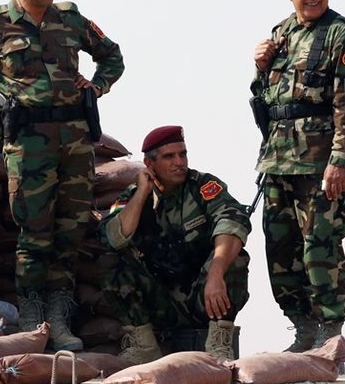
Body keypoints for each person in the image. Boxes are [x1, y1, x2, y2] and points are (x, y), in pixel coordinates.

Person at [0, 0, 124, 351]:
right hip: (28, 146)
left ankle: (60, 317)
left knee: (70, 231)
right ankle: (32, 315)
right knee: (34, 233)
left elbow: (112, 56)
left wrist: (96, 85)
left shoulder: (69, 18)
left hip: (76, 142)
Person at [251, 0, 345, 351]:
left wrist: (341, 159)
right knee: (280, 249)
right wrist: (258, 67)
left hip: (319, 163)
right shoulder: (281, 34)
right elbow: (266, 99)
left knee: (320, 247)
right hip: (277, 161)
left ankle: (331, 332)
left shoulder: (341, 34)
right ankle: (302, 328)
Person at [98, 126, 251, 363]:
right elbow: (114, 238)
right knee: (112, 261)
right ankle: (144, 346)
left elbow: (232, 220)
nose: (179, 162)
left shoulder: (203, 186)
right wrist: (141, 194)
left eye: (183, 154)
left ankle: (219, 342)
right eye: (169, 157)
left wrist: (216, 273)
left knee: (234, 257)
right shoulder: (132, 196)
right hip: (160, 303)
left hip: (205, 297)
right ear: (149, 164)